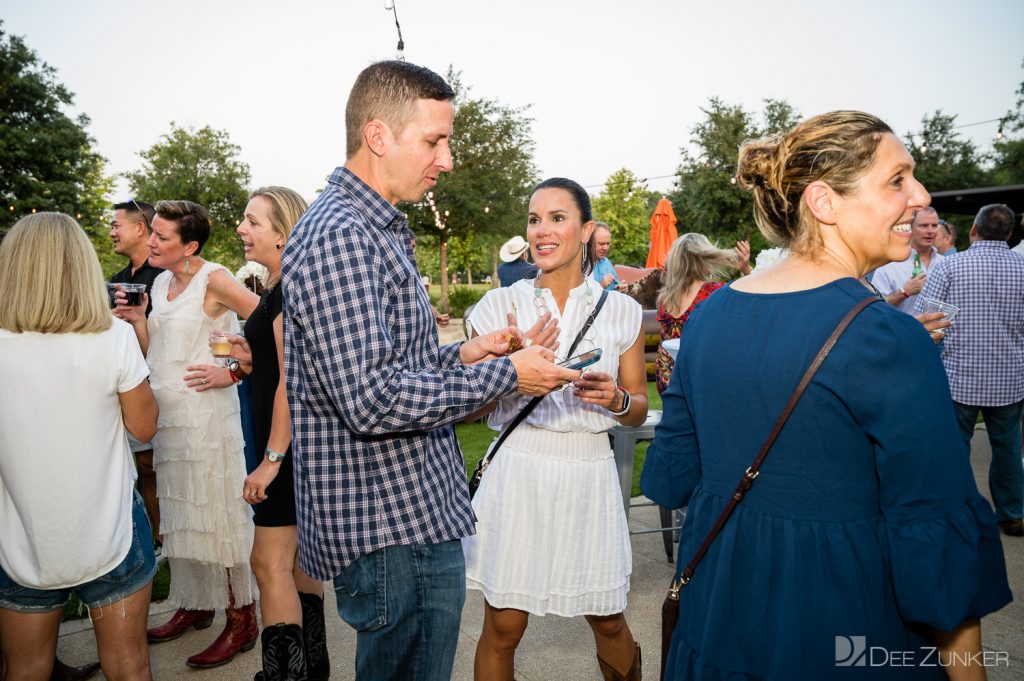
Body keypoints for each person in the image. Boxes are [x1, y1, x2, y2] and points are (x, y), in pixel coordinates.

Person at [642, 111, 1012, 680]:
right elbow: (937, 549)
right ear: (824, 202)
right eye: (897, 179)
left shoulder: (710, 316)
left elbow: (668, 478)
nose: (920, 195)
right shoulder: (886, 338)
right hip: (842, 622)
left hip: (720, 615)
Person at [280, 60, 577, 681]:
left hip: (409, 514)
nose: (447, 159)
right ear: (379, 135)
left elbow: (387, 367)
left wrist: (466, 355)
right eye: (434, 140)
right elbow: (371, 399)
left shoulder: (376, 227)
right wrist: (510, 376)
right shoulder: (342, 234)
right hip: (392, 525)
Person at [464, 177, 648, 681]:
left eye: (557, 218)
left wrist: (615, 398)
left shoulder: (622, 312)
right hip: (518, 469)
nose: (542, 230)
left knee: (609, 619)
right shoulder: (498, 308)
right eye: (533, 219)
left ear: (586, 230)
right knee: (503, 627)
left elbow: (637, 408)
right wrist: (512, 377)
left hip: (588, 470)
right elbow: (464, 408)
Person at [0, 213, 159, 681]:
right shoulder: (113, 338)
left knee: (24, 667)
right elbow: (145, 428)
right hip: (110, 527)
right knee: (128, 665)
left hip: (20, 531)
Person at [115, 200, 261, 669]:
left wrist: (236, 372)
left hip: (206, 417)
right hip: (168, 417)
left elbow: (271, 325)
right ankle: (195, 602)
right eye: (151, 233)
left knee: (217, 514)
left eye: (160, 236)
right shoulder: (159, 281)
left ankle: (242, 620)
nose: (150, 241)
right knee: (181, 510)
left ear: (190, 246)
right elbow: (158, 352)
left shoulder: (214, 278)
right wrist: (139, 323)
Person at [224, 187, 332, 680]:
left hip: (286, 448)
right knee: (301, 564)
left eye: (252, 221)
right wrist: (250, 360)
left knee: (268, 564)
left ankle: (287, 674)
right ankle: (313, 668)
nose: (242, 229)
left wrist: (271, 459)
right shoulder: (280, 285)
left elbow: (294, 380)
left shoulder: (290, 290)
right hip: (297, 446)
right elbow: (280, 365)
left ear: (284, 234)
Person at [917, 203, 1024, 537]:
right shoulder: (1022, 267)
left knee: (955, 448)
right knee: (1007, 448)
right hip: (1010, 378)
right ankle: (1012, 514)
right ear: (1009, 234)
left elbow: (927, 316)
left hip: (959, 376)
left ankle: (957, 511)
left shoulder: (951, 266)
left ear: (974, 230)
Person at [109, 198, 165, 550]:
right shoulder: (117, 280)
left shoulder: (161, 277)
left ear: (140, 228)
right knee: (137, 466)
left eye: (117, 225)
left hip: (156, 381)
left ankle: (164, 537)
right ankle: (151, 537)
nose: (112, 232)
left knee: (153, 465)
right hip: (122, 381)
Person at [654, 233, 746, 395]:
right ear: (702, 259)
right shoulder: (714, 292)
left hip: (667, 373)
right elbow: (747, 307)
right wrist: (746, 271)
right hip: (697, 374)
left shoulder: (666, 296)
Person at [871, 206, 943, 312]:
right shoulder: (889, 265)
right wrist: (905, 292)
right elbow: (874, 309)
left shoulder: (944, 263)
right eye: (924, 226)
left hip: (936, 328)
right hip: (901, 328)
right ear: (910, 227)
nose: (930, 231)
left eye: (934, 225)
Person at [591, 222, 619, 289]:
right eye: (601, 244)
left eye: (608, 244)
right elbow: (579, 297)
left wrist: (619, 289)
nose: (606, 248)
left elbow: (614, 287)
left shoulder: (607, 262)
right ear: (590, 242)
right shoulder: (581, 264)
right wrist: (601, 285)